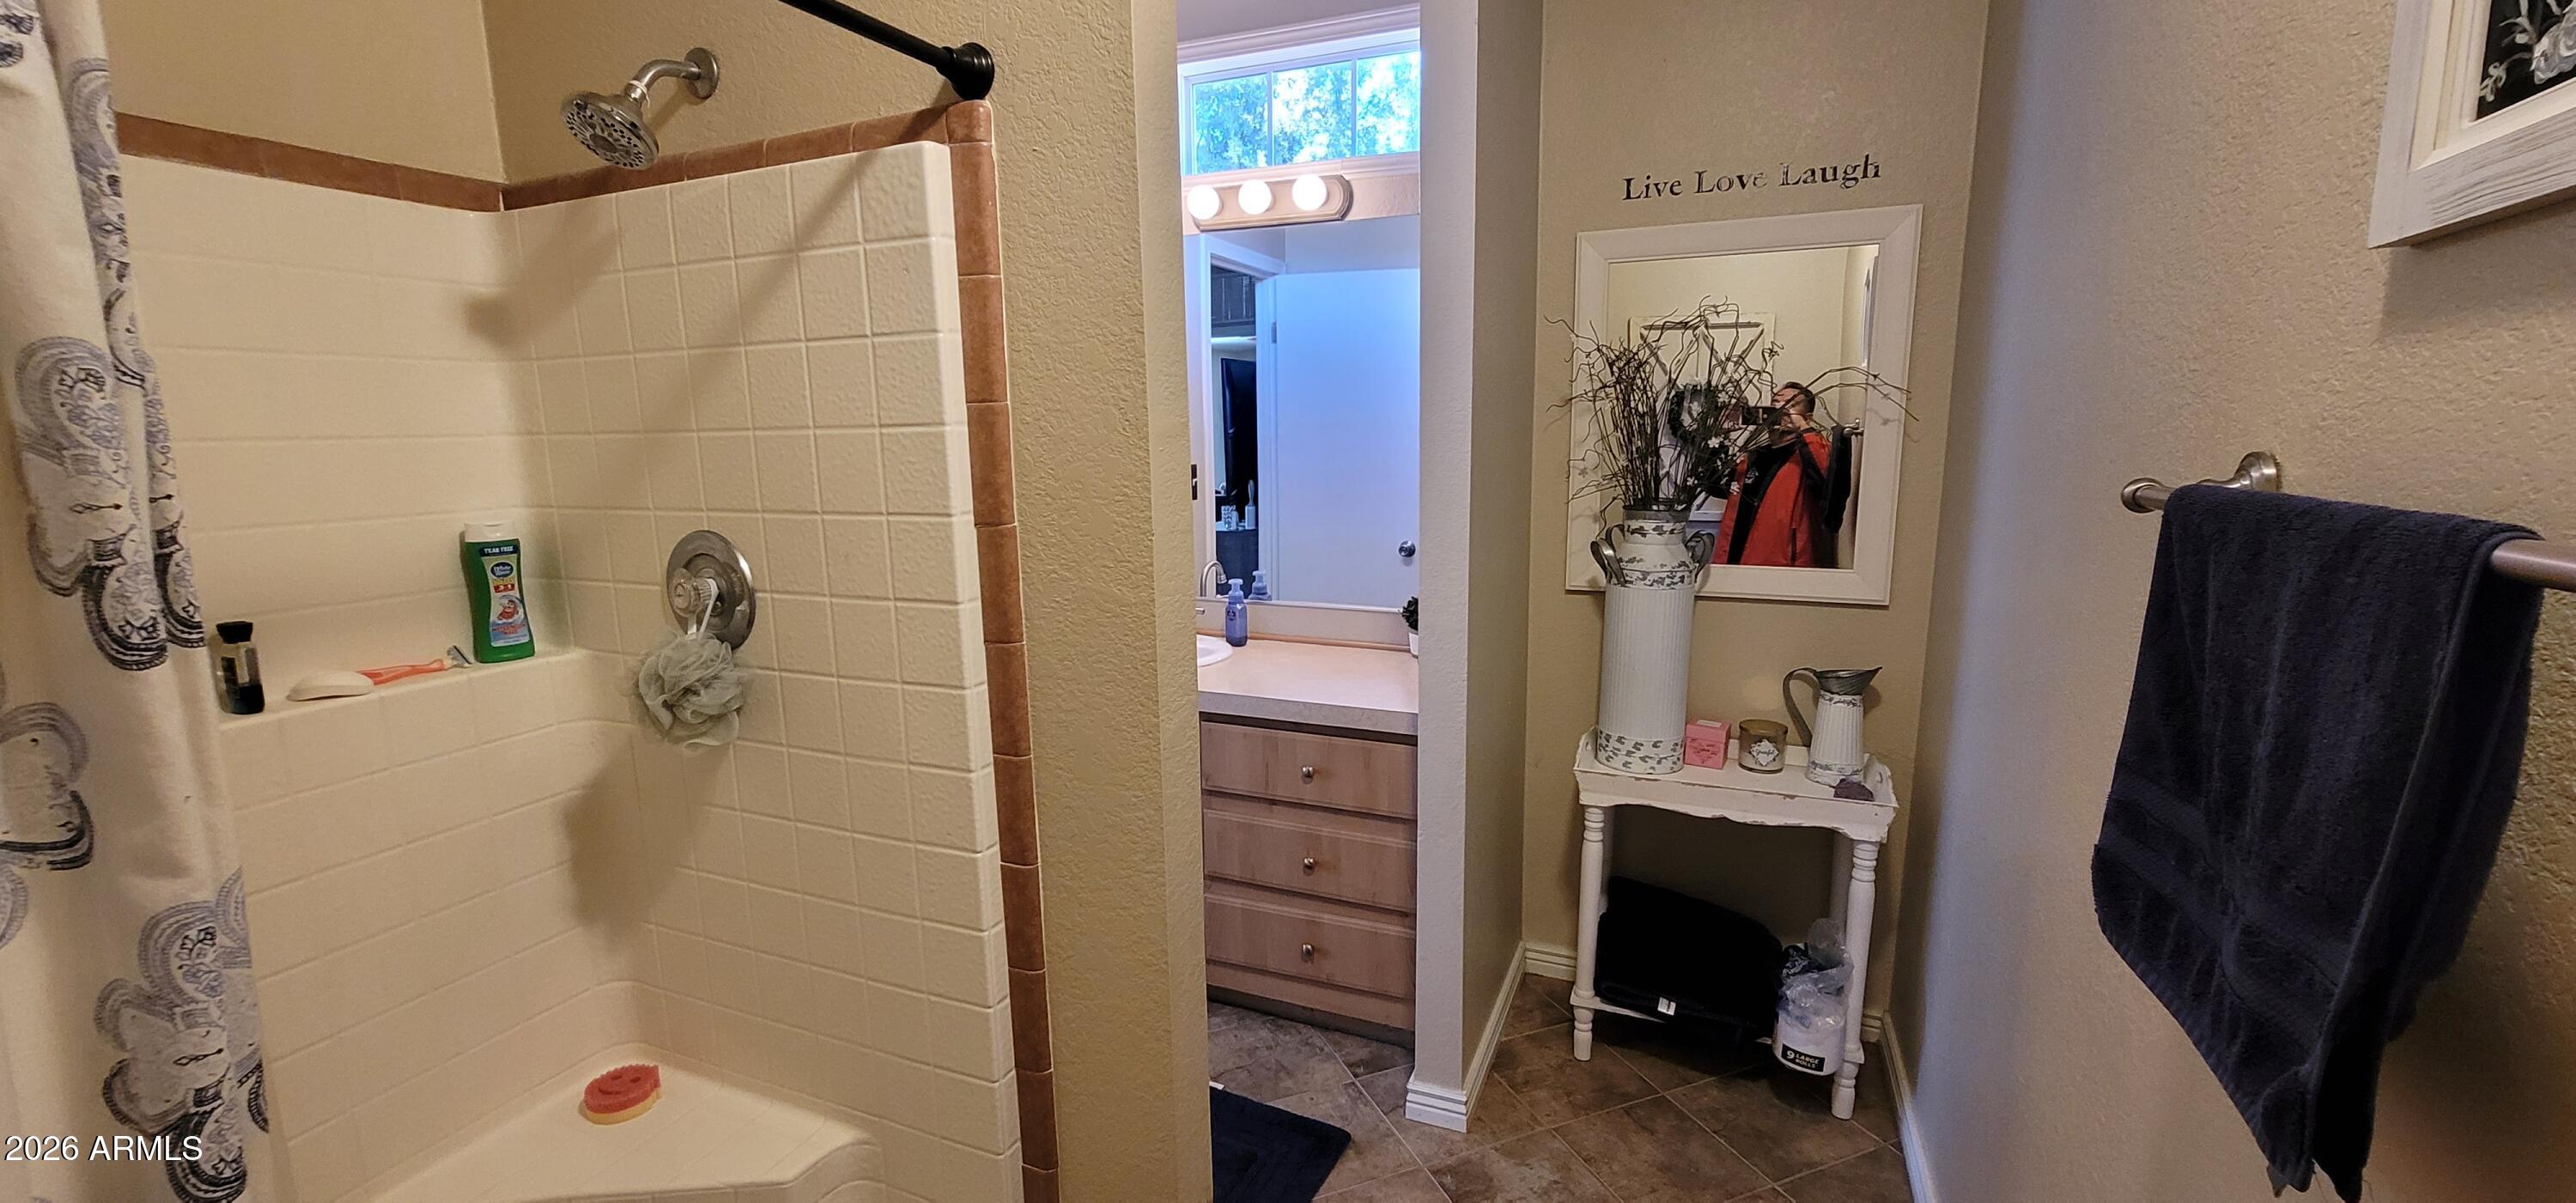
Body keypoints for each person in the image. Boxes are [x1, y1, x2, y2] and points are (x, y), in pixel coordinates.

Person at [1714, 383, 1852, 568]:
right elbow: (1716, 486)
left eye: (1789, 404)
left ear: (1807, 418)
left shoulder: (1811, 452)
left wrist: (1801, 426)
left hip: (1784, 566)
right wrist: (1719, 435)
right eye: (1775, 403)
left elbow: (1827, 481)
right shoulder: (1752, 456)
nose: (1779, 409)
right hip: (1735, 562)